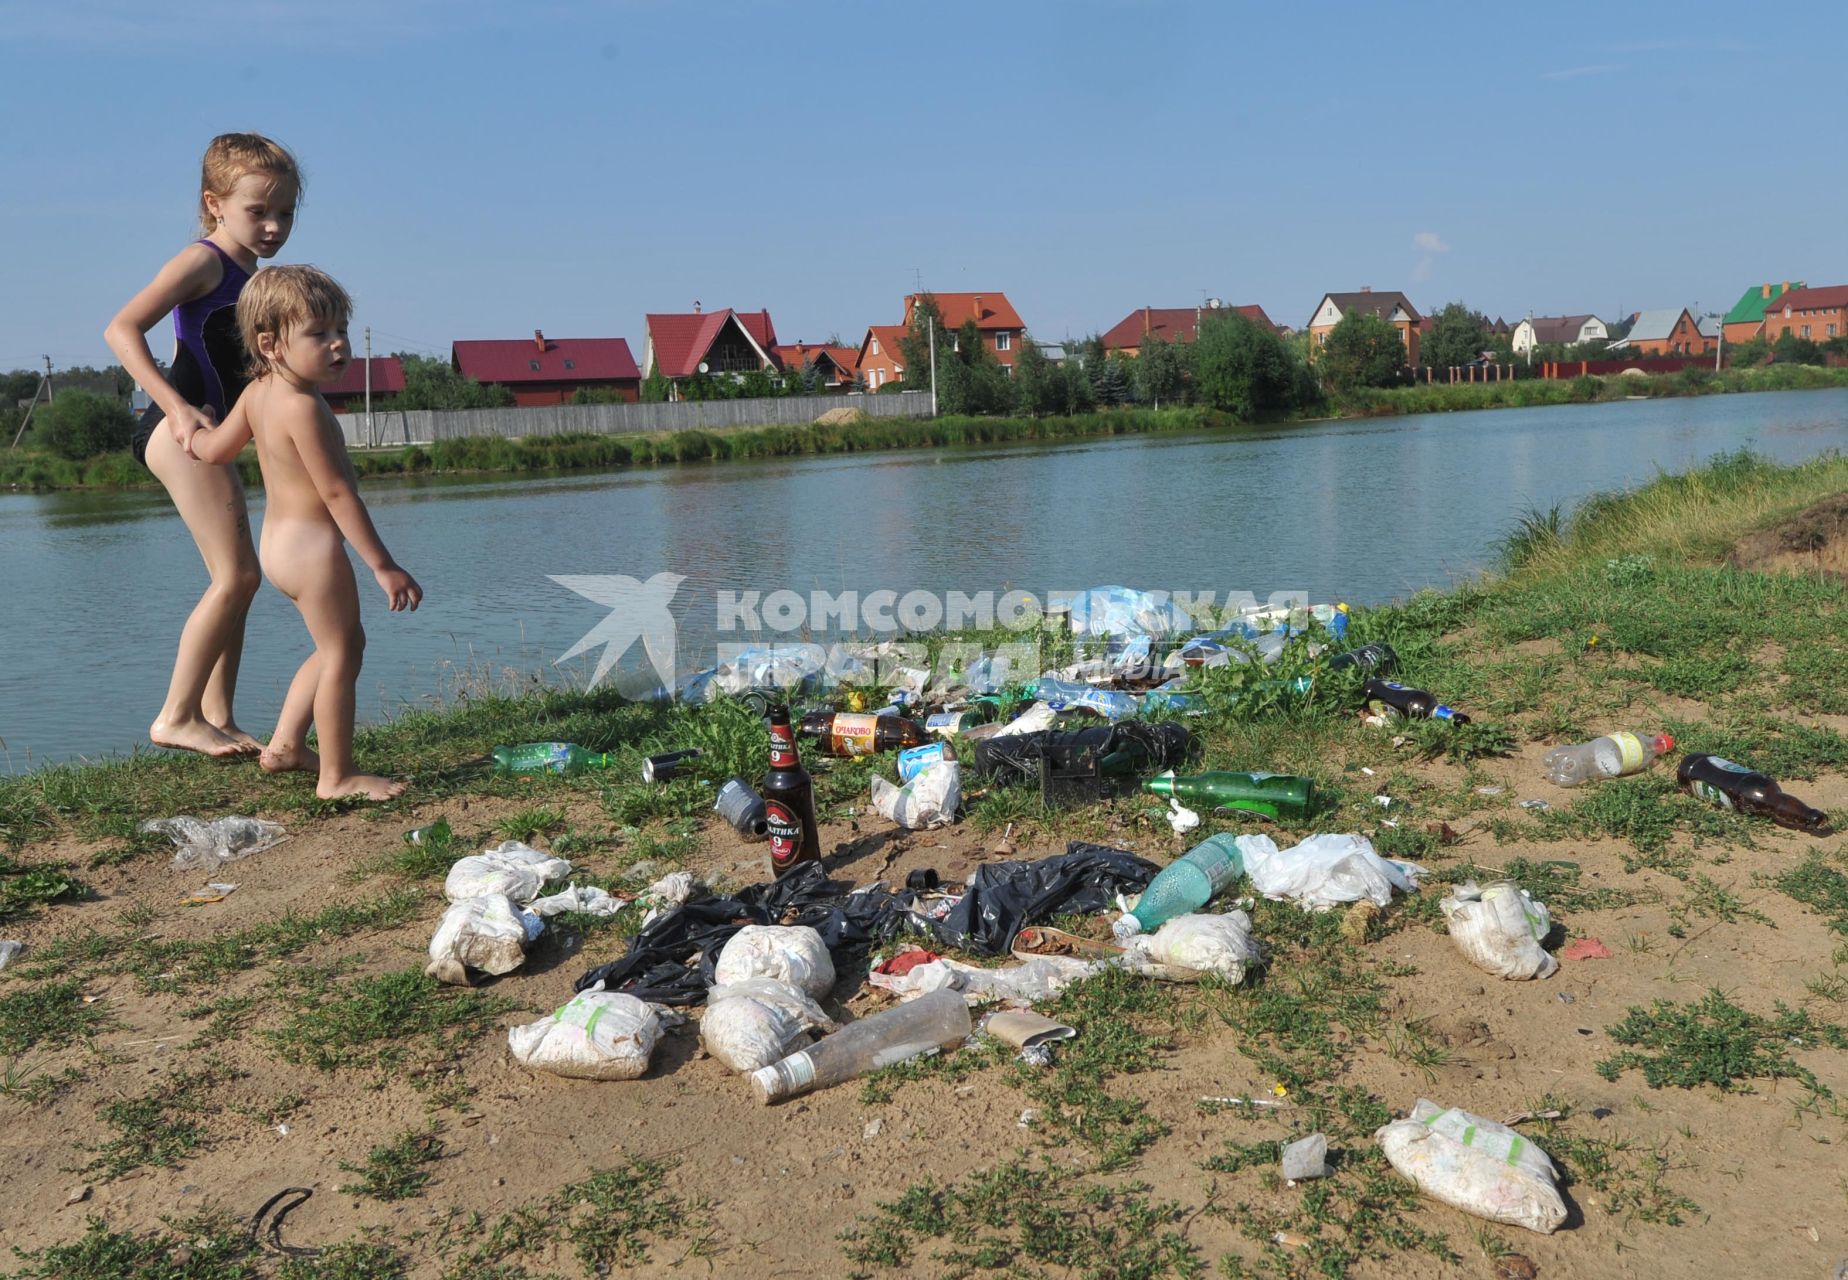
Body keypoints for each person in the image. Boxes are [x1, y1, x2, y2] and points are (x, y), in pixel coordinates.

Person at [188, 266, 422, 801]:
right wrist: (383, 565)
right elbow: (339, 495)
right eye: (319, 334)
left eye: (340, 329)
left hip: (277, 548)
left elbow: (215, 450)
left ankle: (287, 746)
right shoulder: (303, 407)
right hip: (314, 551)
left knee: (340, 643)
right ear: (271, 344)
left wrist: (193, 429)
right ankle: (337, 777)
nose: (338, 344)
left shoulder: (256, 393)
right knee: (340, 656)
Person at [104, 133, 302, 758]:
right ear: (215, 204)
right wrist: (177, 407)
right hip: (177, 430)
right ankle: (177, 715)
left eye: (286, 213)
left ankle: (216, 713)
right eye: (258, 212)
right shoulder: (206, 261)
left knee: (236, 576)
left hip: (209, 435)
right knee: (238, 575)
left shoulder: (250, 273)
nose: (273, 226)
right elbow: (121, 327)